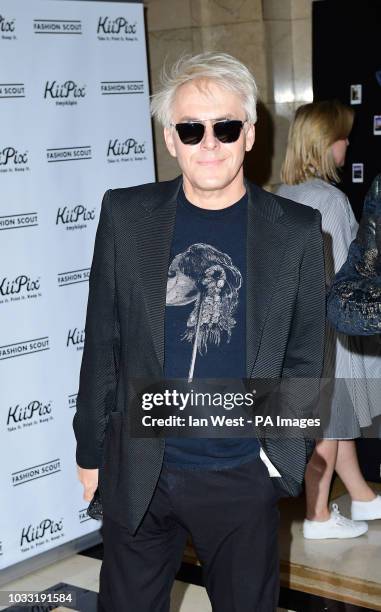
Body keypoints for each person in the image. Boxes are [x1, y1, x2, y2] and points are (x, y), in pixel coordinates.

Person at [73, 53, 326, 611]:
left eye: (225, 127)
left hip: (241, 472)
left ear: (250, 135)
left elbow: (307, 355)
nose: (208, 143)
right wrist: (91, 451)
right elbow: (103, 342)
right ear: (171, 138)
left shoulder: (299, 232)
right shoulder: (125, 214)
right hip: (140, 467)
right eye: (192, 128)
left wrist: (281, 457)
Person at [277, 100, 381, 540]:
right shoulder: (331, 201)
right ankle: (317, 516)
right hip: (329, 331)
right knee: (330, 425)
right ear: (326, 144)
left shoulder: (281, 195)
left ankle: (362, 497)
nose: (347, 146)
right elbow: (348, 278)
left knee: (335, 422)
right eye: (343, 138)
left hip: (297, 329)